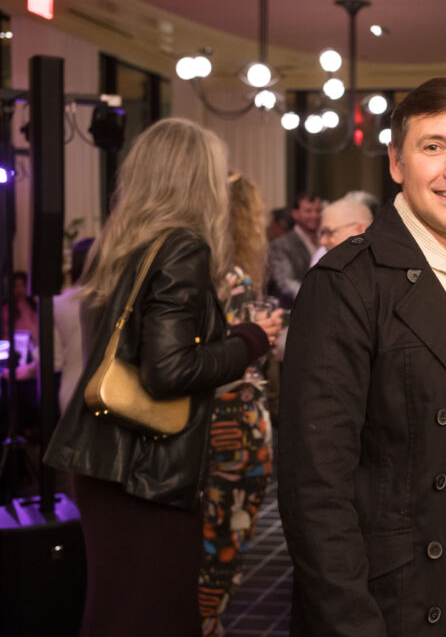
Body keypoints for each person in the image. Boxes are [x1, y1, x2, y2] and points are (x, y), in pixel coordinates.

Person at [279, 77, 446, 637]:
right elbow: (314, 493)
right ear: (395, 162)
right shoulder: (345, 284)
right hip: (397, 610)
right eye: (433, 146)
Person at [43, 118, 280, 637]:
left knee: (112, 613)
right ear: (197, 179)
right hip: (150, 470)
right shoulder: (183, 248)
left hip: (106, 461)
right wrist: (250, 341)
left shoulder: (117, 244)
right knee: (155, 616)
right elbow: (168, 370)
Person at [198, 173, 283, 637]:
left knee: (211, 539)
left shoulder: (202, 273)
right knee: (225, 542)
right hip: (237, 422)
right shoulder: (233, 278)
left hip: (210, 422)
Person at [53, 237, 94, 414]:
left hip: (72, 390)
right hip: (110, 389)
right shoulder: (114, 299)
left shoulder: (58, 303)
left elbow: (55, 360)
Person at [267, 193, 321, 306]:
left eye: (317, 210)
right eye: (308, 211)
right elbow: (285, 281)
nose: (314, 215)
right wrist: (316, 298)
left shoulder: (325, 239)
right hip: (296, 308)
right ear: (295, 214)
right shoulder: (281, 244)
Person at [309, 194, 375, 266]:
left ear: (360, 230)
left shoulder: (383, 263)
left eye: (329, 232)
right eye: (322, 233)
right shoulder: (322, 256)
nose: (323, 241)